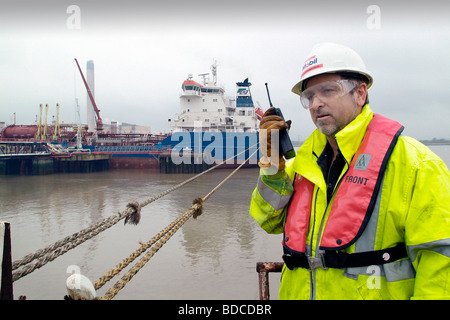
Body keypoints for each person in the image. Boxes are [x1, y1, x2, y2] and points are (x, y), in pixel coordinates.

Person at [249, 42, 450, 300]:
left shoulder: (416, 164)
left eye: (328, 91)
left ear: (360, 93)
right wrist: (272, 163)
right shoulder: (302, 165)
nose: (315, 104)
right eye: (309, 96)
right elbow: (268, 221)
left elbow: (441, 262)